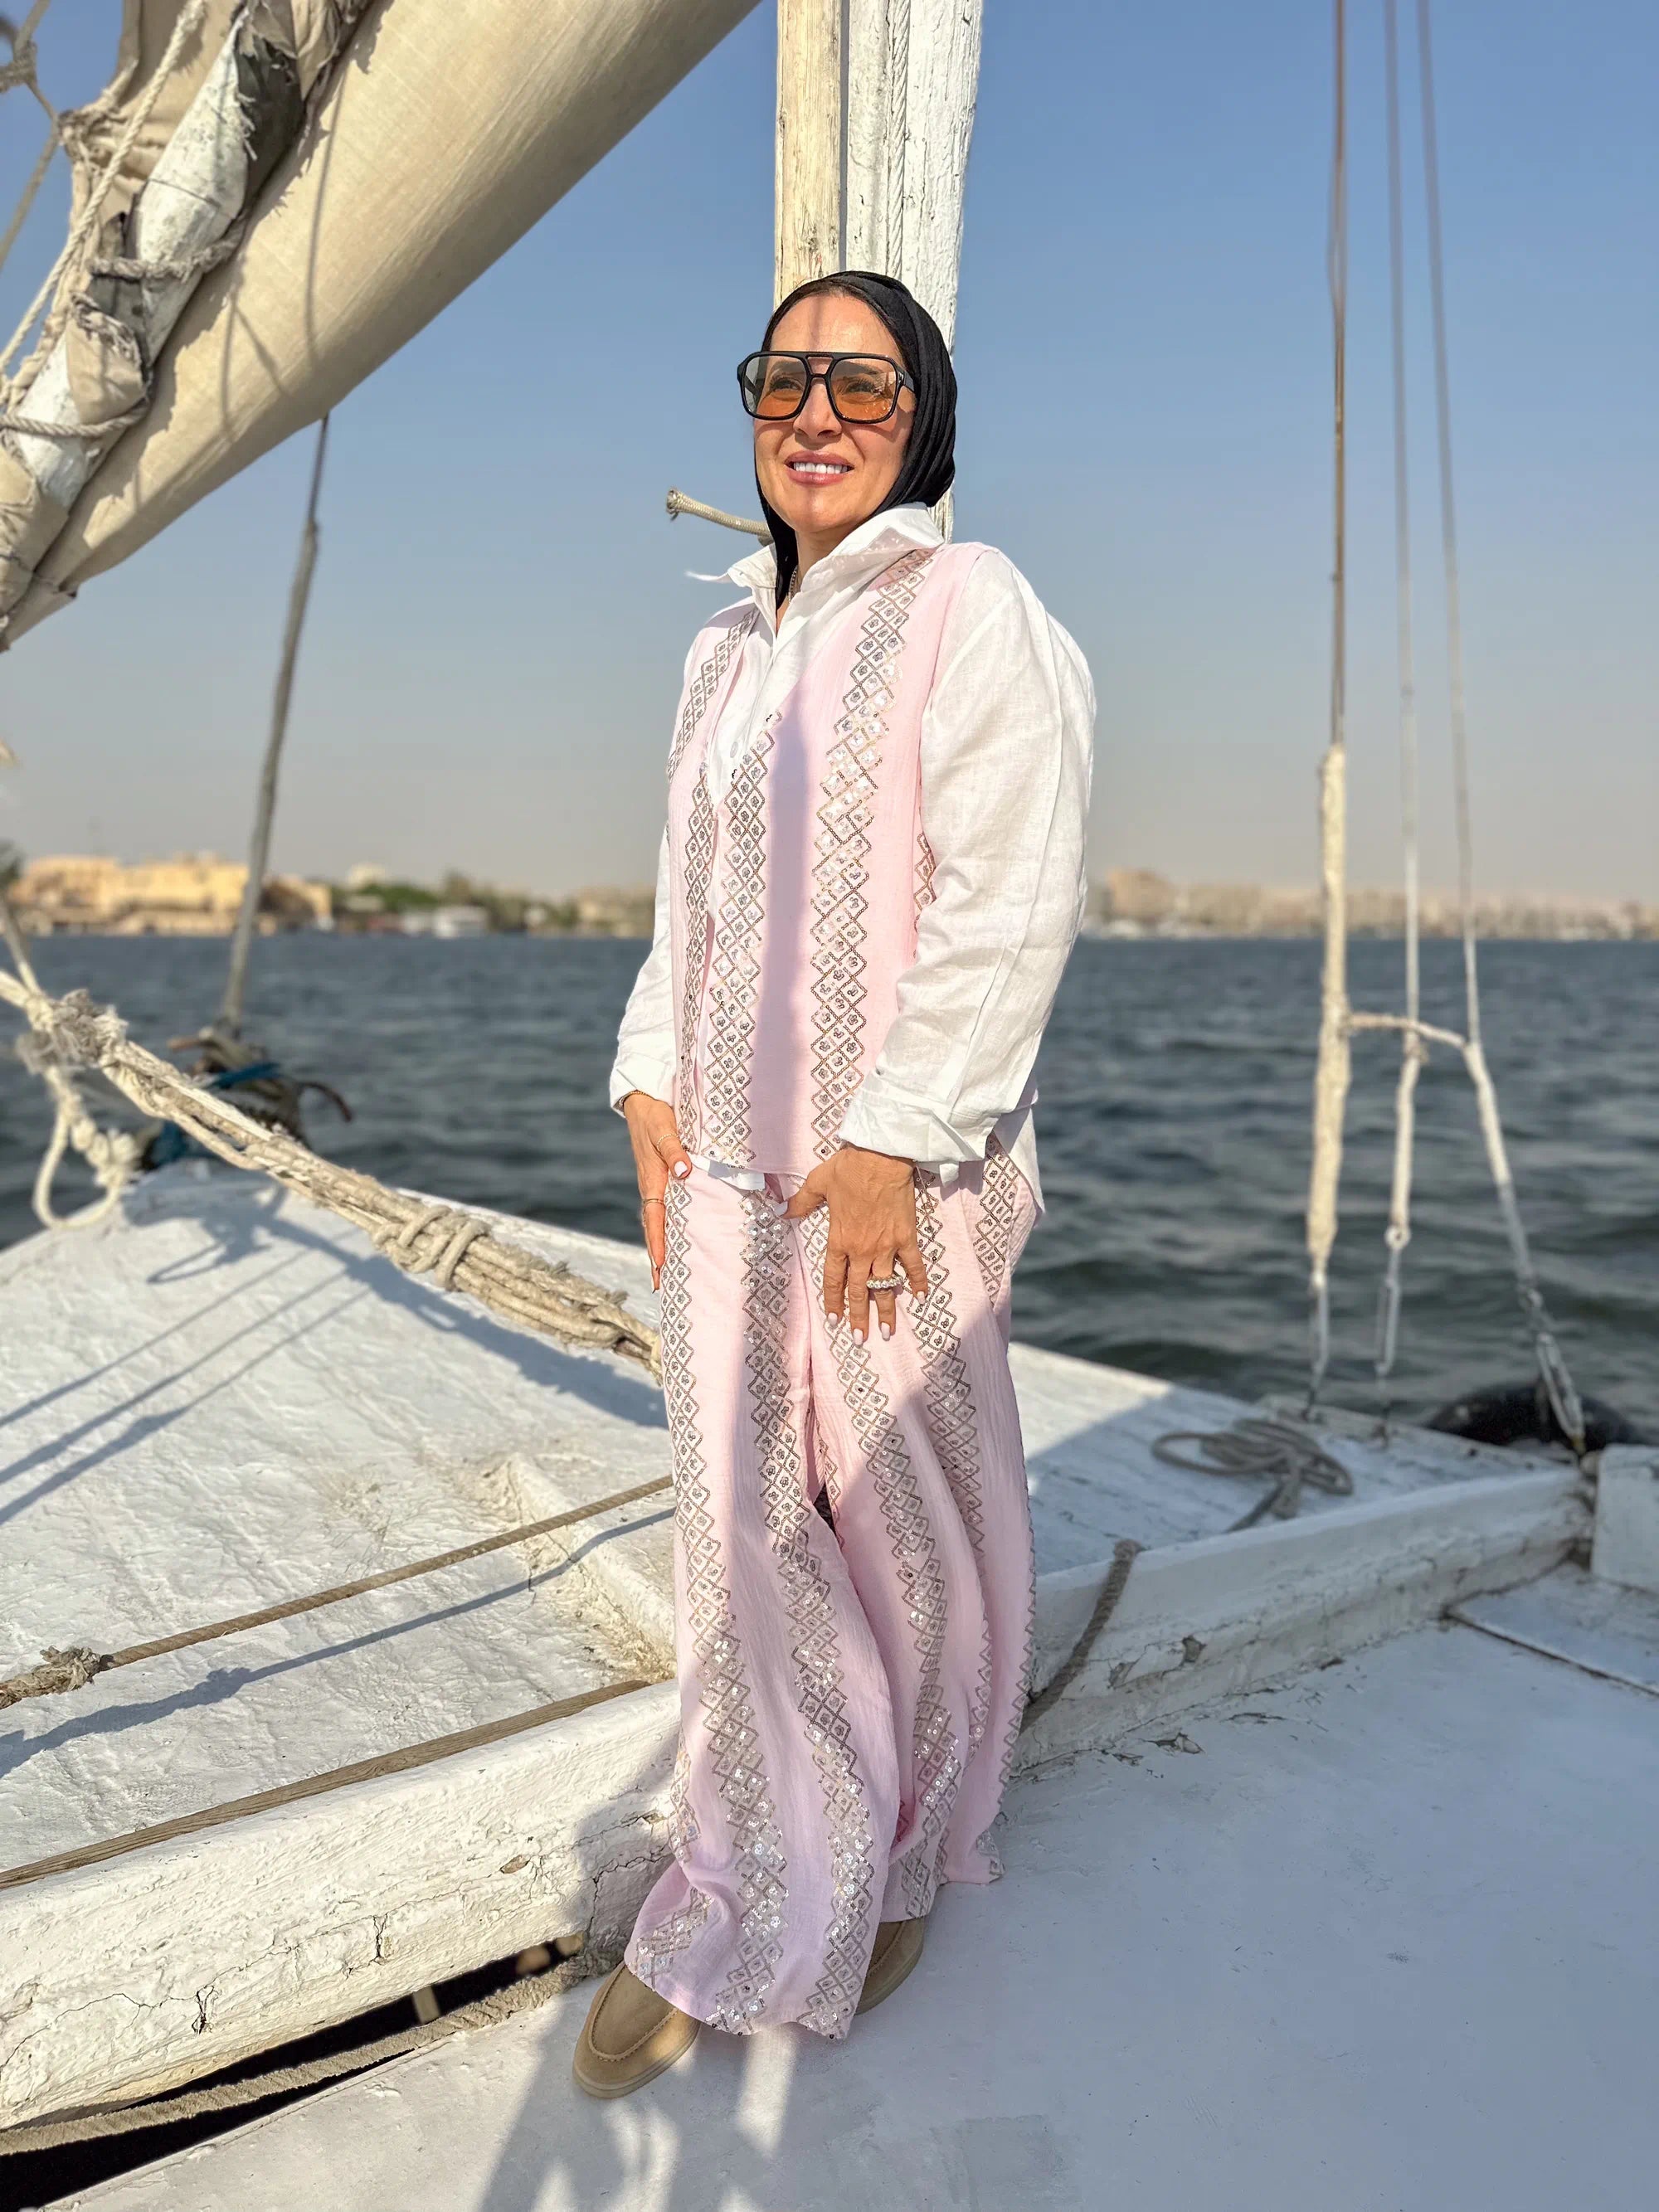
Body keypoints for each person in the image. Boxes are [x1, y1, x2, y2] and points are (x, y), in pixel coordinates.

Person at [574, 270, 1093, 2098]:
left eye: (859, 381)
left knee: (907, 1514)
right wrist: (647, 1072)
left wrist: (897, 1138)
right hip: (721, 1164)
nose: (815, 408)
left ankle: (907, 1840)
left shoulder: (974, 608)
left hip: (895, 1172)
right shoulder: (722, 647)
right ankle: (755, 1855)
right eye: (783, 375)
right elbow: (682, 892)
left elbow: (1008, 896)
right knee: (738, 1520)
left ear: (920, 411)